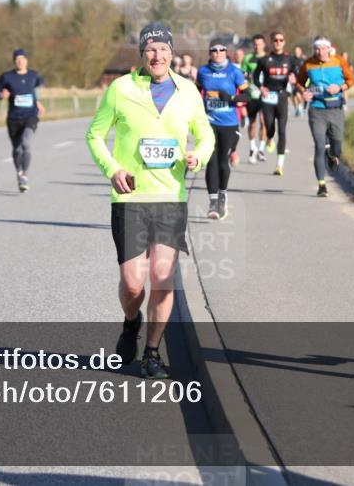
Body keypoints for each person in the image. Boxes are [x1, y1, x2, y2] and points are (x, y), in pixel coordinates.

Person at [86, 21, 215, 379]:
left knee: (162, 277)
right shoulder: (121, 88)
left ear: (172, 53)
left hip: (171, 197)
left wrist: (198, 156)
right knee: (132, 283)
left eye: (163, 49)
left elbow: (205, 135)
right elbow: (95, 136)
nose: (157, 55)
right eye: (150, 50)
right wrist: (112, 169)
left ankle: (153, 352)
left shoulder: (188, 91)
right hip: (129, 198)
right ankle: (131, 323)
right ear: (142, 54)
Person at [196, 41, 249, 220]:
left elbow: (248, 95)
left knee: (222, 161)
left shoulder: (234, 71)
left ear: (226, 52)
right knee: (211, 160)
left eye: (221, 50)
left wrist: (233, 97)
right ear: (209, 53)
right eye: (214, 50)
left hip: (229, 123)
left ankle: (222, 195)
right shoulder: (203, 71)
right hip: (208, 122)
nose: (217, 53)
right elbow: (196, 93)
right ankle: (212, 202)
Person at [296, 37, 354, 197]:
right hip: (317, 110)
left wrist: (339, 87)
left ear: (329, 49)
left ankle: (332, 155)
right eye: (317, 49)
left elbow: (351, 80)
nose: (320, 52)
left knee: (337, 146)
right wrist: (304, 92)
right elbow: (299, 82)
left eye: (323, 49)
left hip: (336, 109)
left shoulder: (339, 61)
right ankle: (321, 185)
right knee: (319, 145)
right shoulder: (308, 64)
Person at [0, 49, 45, 192]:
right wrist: (0, 95)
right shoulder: (7, 77)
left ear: (27, 60)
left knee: (26, 143)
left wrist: (38, 101)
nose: (20, 61)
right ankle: (19, 172)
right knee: (17, 149)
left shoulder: (33, 75)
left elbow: (35, 89)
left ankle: (24, 175)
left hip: (30, 116)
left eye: (23, 59)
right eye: (17, 59)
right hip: (14, 118)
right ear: (14, 61)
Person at [253, 31, 295, 176]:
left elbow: (303, 77)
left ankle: (279, 165)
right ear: (271, 42)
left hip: (282, 96)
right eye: (275, 40)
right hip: (268, 97)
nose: (278, 42)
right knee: (269, 127)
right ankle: (270, 138)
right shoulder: (265, 59)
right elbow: (255, 77)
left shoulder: (290, 59)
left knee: (282, 130)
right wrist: (261, 87)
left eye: (280, 40)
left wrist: (295, 80)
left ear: (284, 42)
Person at [240, 34, 269, 164]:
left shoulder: (269, 58)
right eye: (255, 44)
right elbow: (241, 76)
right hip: (252, 95)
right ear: (253, 45)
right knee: (252, 123)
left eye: (260, 44)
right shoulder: (247, 58)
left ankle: (261, 149)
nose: (257, 46)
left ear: (264, 45)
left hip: (265, 95)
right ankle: (252, 147)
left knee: (264, 122)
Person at [290, 45, 307, 117]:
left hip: (302, 80)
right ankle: (297, 108)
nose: (296, 53)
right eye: (295, 51)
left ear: (301, 52)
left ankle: (301, 107)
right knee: (294, 95)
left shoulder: (303, 60)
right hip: (294, 80)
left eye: (298, 51)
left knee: (299, 94)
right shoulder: (291, 60)